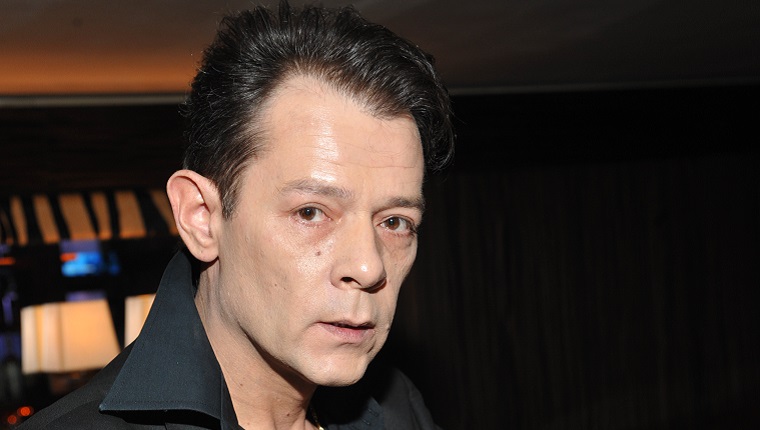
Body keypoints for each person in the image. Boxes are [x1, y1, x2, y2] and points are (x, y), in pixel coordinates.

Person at [21, 2, 453, 429]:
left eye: (394, 222)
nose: (369, 266)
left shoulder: (399, 408)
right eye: (311, 212)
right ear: (201, 218)